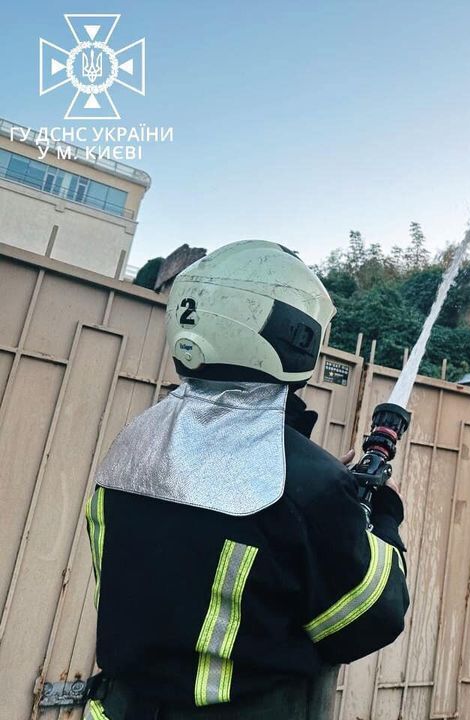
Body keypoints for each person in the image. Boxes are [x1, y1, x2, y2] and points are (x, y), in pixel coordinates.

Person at [82, 240, 409, 720]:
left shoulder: (137, 443)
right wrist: (381, 515)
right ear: (293, 332)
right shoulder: (307, 484)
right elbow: (368, 620)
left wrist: (316, 484)